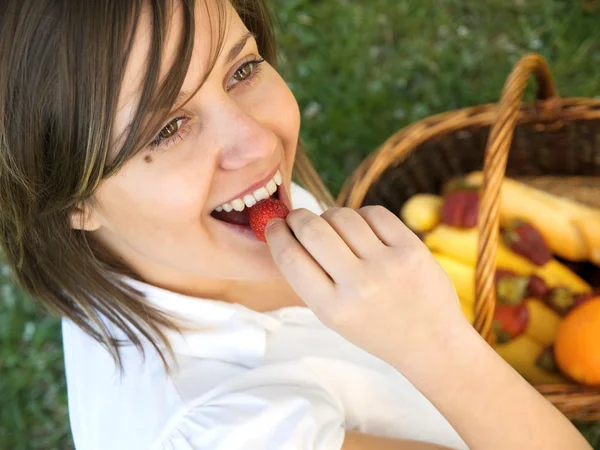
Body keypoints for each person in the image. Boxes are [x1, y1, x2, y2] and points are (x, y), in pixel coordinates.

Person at [0, 1, 592, 449]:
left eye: (242, 70)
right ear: (70, 200)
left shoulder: (194, 231)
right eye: (166, 130)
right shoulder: (229, 431)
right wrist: (440, 350)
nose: (259, 142)